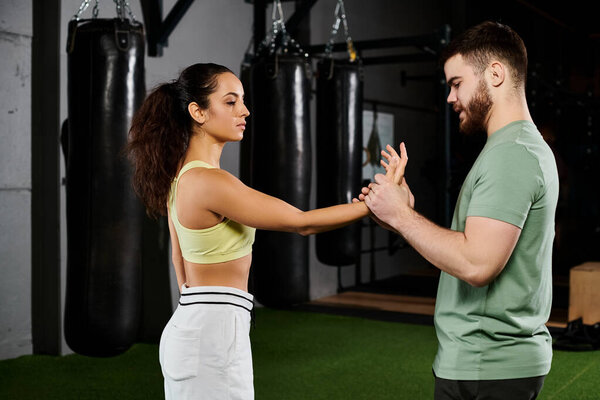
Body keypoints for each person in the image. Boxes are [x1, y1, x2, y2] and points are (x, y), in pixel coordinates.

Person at [126, 63, 404, 400]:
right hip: (211, 334)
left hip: (201, 325)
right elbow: (303, 222)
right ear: (197, 112)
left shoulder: (184, 177)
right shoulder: (210, 182)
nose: (244, 110)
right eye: (230, 102)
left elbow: (179, 260)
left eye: (242, 100)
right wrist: (379, 200)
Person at [357, 21, 559, 399]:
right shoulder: (514, 148)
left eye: (456, 83)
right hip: (486, 362)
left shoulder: (512, 154)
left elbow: (477, 265)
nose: (450, 97)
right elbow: (470, 249)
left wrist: (402, 215)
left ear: (495, 73)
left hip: (489, 364)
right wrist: (402, 216)